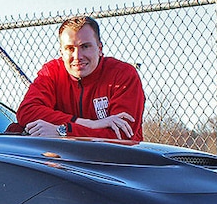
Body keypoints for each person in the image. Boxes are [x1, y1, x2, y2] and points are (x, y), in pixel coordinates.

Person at [14, 15, 144, 140]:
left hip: (113, 161)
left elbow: (122, 135)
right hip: (61, 159)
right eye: (70, 48)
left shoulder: (123, 75)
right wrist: (88, 124)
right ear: (61, 52)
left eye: (85, 47)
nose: (77, 56)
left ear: (99, 49)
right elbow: (27, 112)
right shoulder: (52, 72)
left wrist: (64, 131)